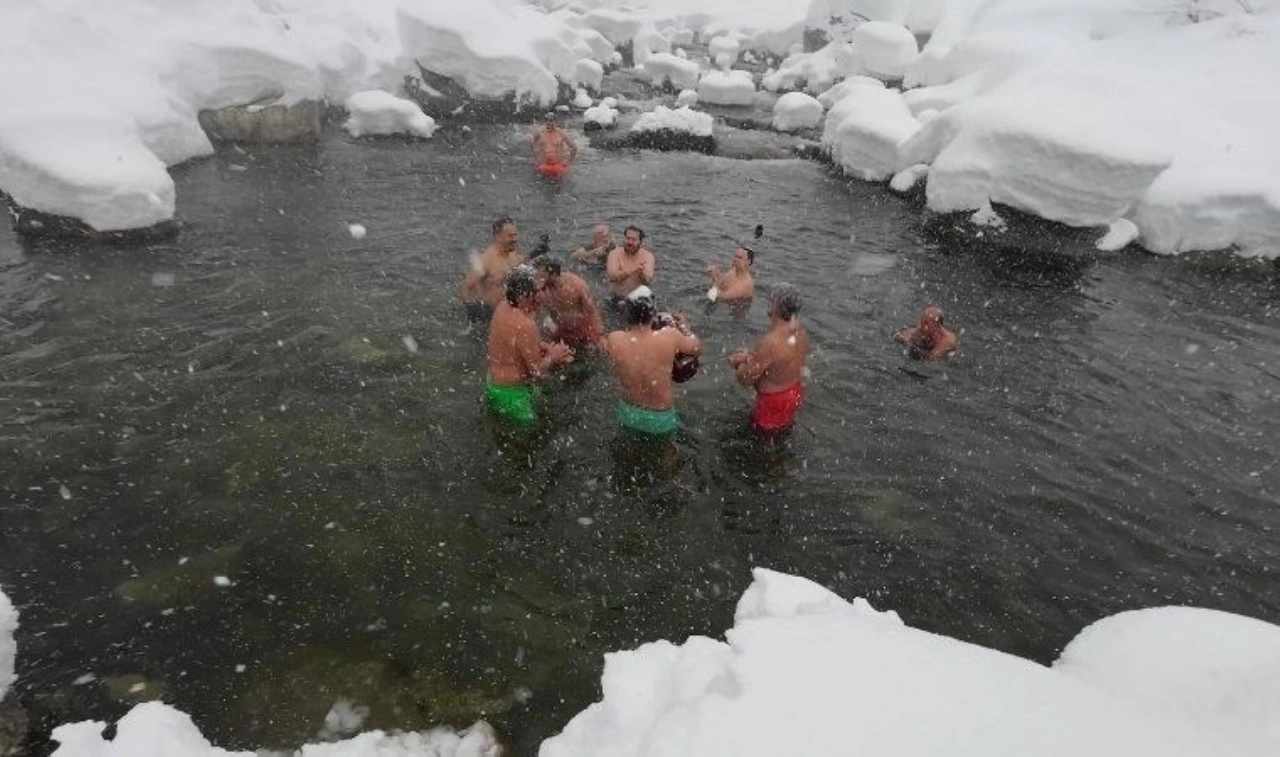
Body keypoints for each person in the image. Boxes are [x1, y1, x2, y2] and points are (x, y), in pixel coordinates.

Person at [602, 286, 701, 436]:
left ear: (627, 314)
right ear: (653, 313)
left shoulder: (614, 339)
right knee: (667, 456)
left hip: (629, 413)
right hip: (660, 417)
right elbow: (696, 347)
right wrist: (683, 326)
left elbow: (614, 369)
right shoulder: (669, 336)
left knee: (626, 454)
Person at [485, 265, 575, 425]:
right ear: (524, 296)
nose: (544, 294)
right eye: (539, 290)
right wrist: (554, 356)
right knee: (527, 436)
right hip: (511, 395)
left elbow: (513, 343)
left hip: (496, 384)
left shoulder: (503, 306)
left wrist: (544, 347)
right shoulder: (525, 324)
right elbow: (536, 370)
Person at [729, 284, 809, 434]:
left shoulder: (770, 342)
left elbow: (745, 379)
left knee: (763, 443)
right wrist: (751, 358)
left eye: (770, 301)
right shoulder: (800, 330)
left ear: (775, 307)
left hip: (772, 403)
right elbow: (779, 363)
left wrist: (738, 363)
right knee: (782, 433)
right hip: (794, 393)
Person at [459, 217, 524, 325]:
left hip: (508, 314)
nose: (515, 239)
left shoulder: (514, 255)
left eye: (516, 235)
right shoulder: (486, 260)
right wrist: (473, 310)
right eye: (510, 236)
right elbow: (465, 287)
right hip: (489, 317)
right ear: (497, 236)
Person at [532, 256, 605, 348]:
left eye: (541, 274)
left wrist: (600, 335)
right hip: (560, 329)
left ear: (554, 275)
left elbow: (592, 311)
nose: (537, 277)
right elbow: (535, 315)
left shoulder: (576, 285)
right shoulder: (541, 290)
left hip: (582, 327)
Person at [605, 225, 656, 306]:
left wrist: (640, 274)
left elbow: (647, 281)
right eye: (628, 238)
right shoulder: (614, 254)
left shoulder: (647, 256)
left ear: (640, 241)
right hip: (616, 297)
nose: (630, 242)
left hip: (638, 299)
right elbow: (612, 277)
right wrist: (631, 270)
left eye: (634, 240)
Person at [532, 112, 578, 180]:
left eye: (551, 121)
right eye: (547, 121)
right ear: (545, 122)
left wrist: (568, 162)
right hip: (544, 164)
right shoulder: (539, 133)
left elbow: (574, 147)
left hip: (558, 165)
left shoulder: (561, 133)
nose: (549, 123)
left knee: (558, 184)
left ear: (555, 122)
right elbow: (533, 146)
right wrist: (535, 159)